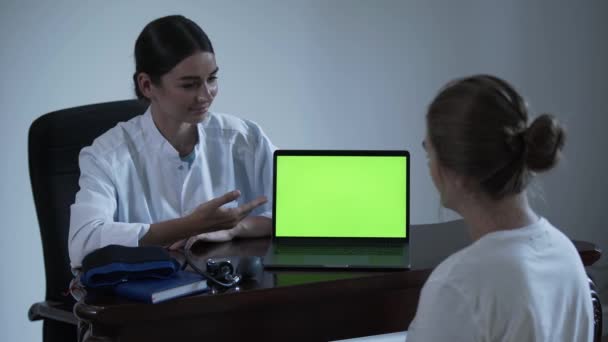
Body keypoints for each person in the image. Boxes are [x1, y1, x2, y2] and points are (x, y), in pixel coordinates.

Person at [68, 15, 276, 269]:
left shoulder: (244, 137)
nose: (205, 95)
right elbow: (83, 243)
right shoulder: (106, 155)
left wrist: (236, 228)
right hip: (145, 304)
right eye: (189, 85)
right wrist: (188, 226)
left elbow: (301, 215)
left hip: (228, 297)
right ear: (146, 85)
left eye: (211, 79)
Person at [407, 75, 593, 341]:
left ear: (458, 174)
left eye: (429, 151)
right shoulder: (566, 254)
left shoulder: (458, 285)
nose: (429, 166)